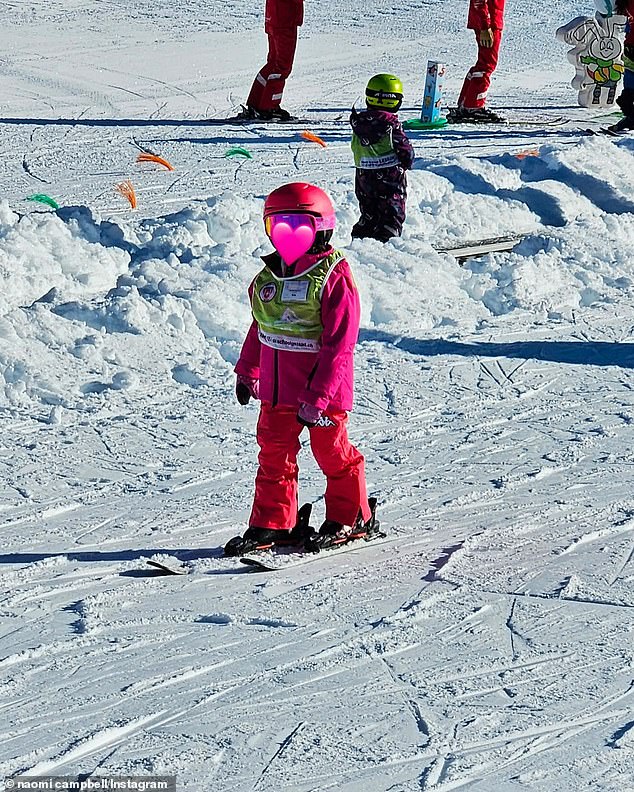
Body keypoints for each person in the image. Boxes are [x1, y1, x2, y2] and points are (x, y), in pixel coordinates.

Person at [224, 182, 377, 556]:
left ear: (321, 228)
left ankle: (350, 514)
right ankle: (274, 522)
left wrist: (319, 397)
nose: (286, 236)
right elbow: (262, 325)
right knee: (273, 453)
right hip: (278, 390)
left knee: (332, 453)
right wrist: (248, 369)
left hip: (322, 393)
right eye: (278, 227)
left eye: (298, 226)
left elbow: (340, 344)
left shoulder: (333, 277)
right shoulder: (270, 278)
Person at [349, 74, 415, 243]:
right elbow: (405, 151)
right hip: (390, 177)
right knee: (392, 209)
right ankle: (388, 238)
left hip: (364, 175)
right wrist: (407, 161)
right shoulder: (391, 125)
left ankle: (363, 232)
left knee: (369, 207)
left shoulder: (359, 123)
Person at [238, 0, 304, 121]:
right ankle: (269, 107)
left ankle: (256, 103)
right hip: (285, 19)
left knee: (273, 63)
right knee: (282, 66)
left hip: (274, 18)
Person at [448, 0, 506, 123]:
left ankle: (466, 103)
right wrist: (485, 26)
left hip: (493, 20)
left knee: (484, 63)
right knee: (487, 64)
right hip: (489, 23)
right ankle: (474, 106)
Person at [611, 0, 634, 132]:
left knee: (628, 96)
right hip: (630, 49)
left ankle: (631, 118)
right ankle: (631, 118)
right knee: (627, 96)